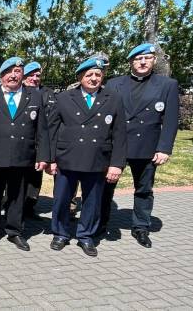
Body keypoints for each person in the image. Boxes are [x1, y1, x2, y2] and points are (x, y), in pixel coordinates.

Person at [100, 43, 179, 247]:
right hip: (116, 146)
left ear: (154, 60)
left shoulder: (167, 85)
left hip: (146, 147)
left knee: (144, 189)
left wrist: (164, 148)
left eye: (147, 58)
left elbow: (171, 119)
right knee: (105, 188)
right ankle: (100, 223)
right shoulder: (114, 84)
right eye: (138, 59)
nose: (143, 62)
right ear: (131, 62)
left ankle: (141, 227)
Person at [47, 59, 126, 257]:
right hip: (67, 158)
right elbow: (52, 131)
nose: (93, 78)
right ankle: (60, 233)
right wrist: (50, 159)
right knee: (61, 199)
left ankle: (86, 236)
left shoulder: (113, 98)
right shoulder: (63, 98)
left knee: (92, 201)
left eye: (98, 75)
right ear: (80, 77)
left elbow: (120, 134)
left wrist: (116, 164)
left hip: (97, 160)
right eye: (89, 75)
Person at [0, 57, 50, 251]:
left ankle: (15, 231)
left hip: (22, 156)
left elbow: (42, 129)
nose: (13, 76)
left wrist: (43, 156)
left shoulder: (35, 96)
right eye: (9, 72)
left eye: (17, 71)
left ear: (22, 75)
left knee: (17, 197)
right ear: (2, 75)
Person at [21, 61, 57, 219]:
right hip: (23, 143)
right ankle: (14, 208)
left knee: (35, 178)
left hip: (41, 143)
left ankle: (29, 208)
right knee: (18, 177)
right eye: (30, 75)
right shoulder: (18, 91)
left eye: (37, 75)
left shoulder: (48, 93)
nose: (34, 78)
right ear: (23, 77)